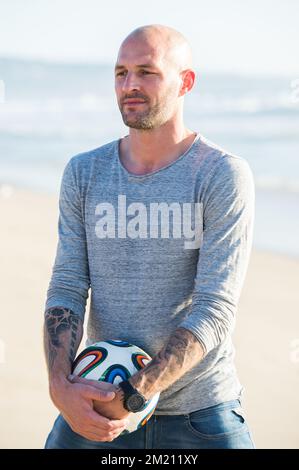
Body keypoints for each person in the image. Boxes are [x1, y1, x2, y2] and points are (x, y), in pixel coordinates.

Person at [44, 24, 256, 449]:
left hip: (199, 414)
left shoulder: (221, 175)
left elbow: (214, 308)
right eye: (121, 73)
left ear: (186, 82)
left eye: (147, 72)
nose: (130, 85)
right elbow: (67, 287)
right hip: (96, 406)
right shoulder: (84, 173)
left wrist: (134, 395)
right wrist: (60, 388)